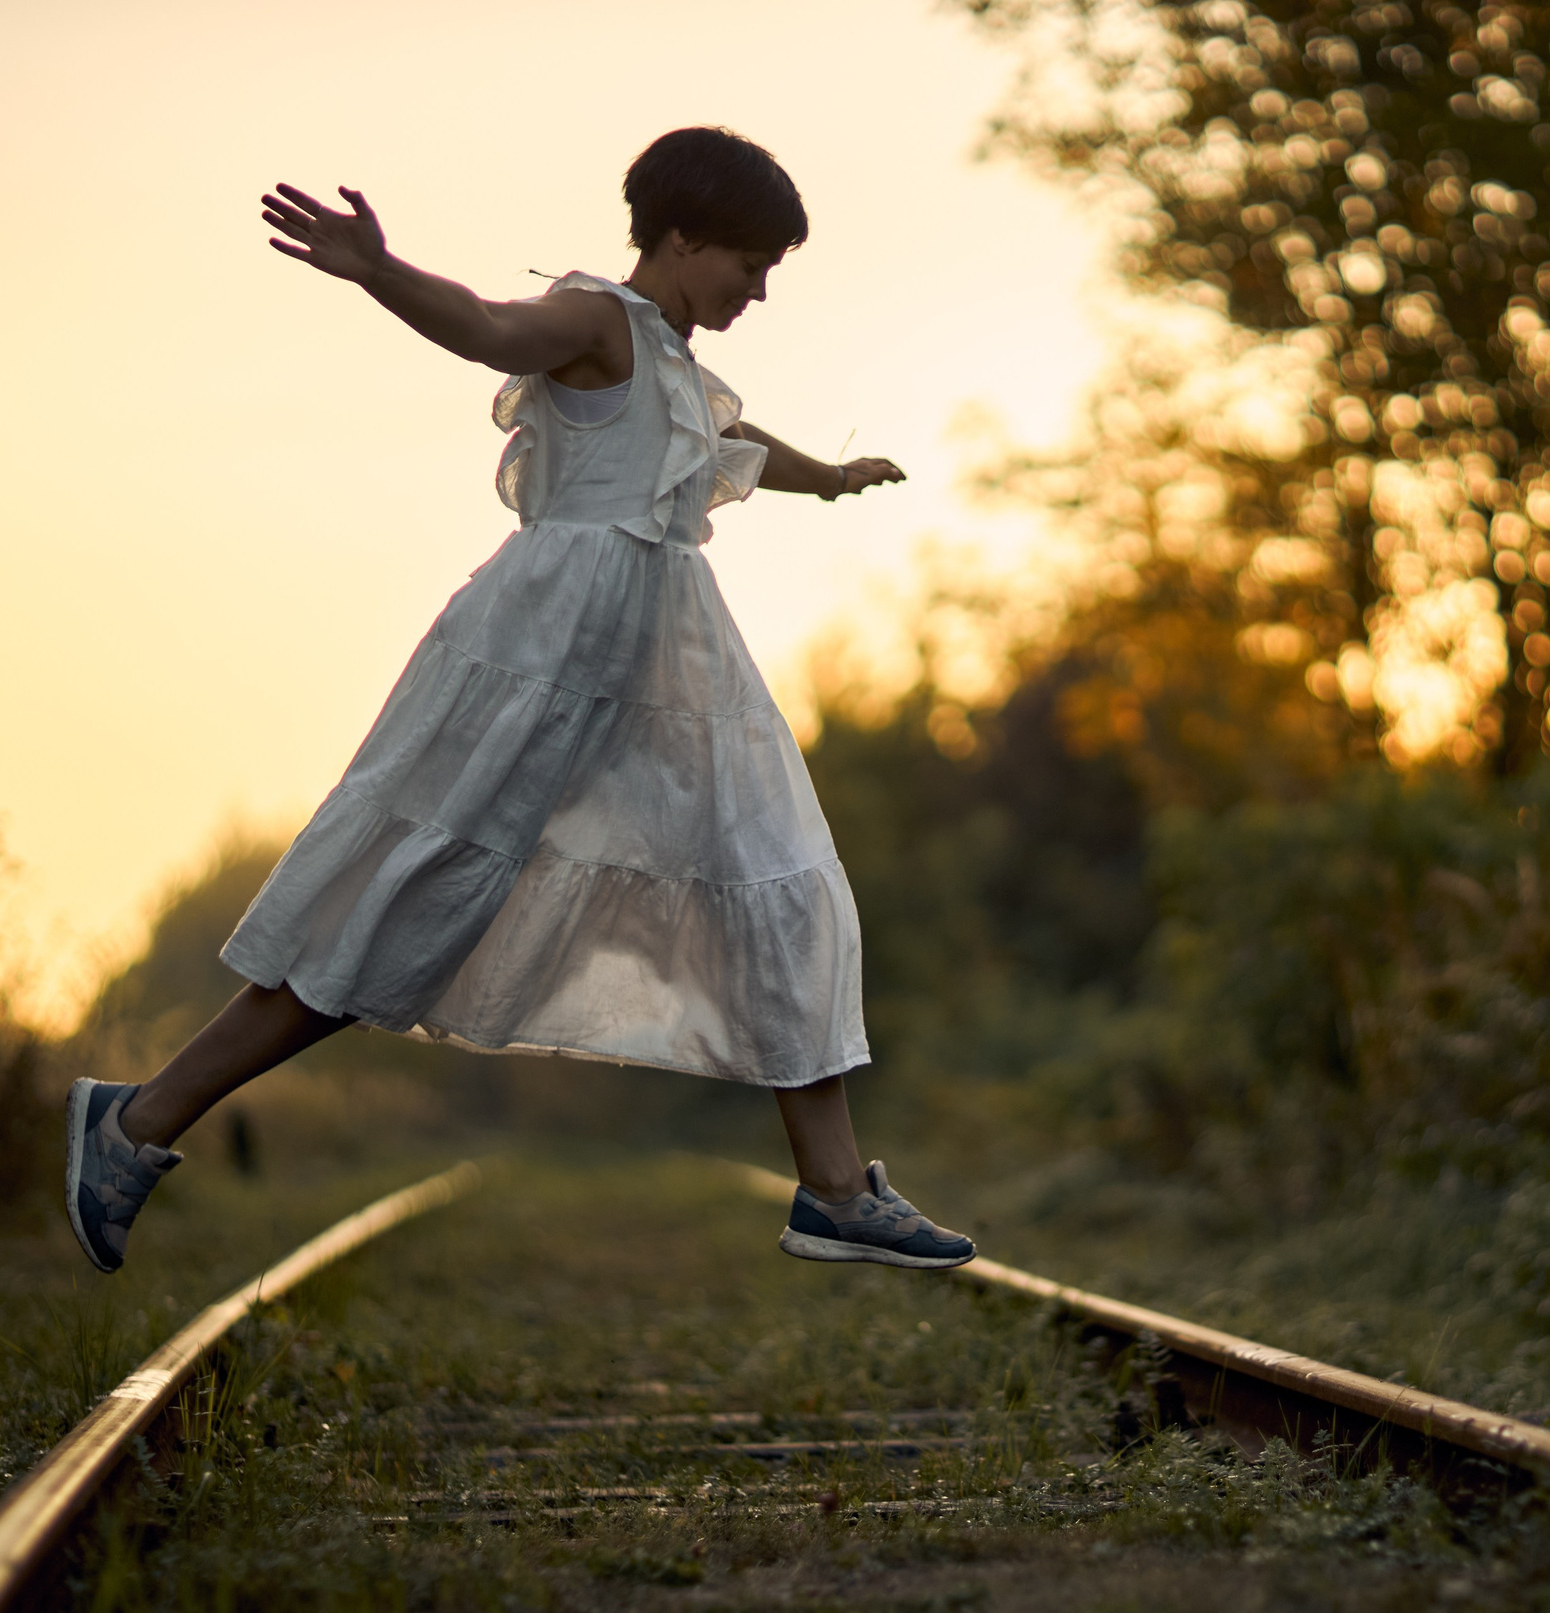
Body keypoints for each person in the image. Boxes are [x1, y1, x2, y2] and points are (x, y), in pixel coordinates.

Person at [64, 128, 974, 1278]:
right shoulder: (595, 320)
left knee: (780, 878)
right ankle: (137, 1120)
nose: (757, 291)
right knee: (406, 912)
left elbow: (728, 438)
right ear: (681, 238)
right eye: (749, 265)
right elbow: (489, 328)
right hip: (544, 651)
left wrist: (830, 477)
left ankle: (835, 1190)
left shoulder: (676, 365)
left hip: (669, 664)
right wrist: (380, 271)